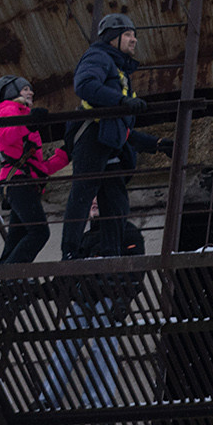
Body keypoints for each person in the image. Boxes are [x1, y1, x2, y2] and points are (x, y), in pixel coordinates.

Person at [60, 13, 173, 260]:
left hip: (109, 142)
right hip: (93, 137)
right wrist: (122, 101)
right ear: (114, 37)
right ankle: (69, 252)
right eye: (129, 34)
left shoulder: (119, 69)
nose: (134, 40)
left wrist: (157, 144)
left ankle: (110, 255)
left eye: (134, 35)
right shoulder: (98, 57)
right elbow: (85, 85)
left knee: (116, 203)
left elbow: (123, 129)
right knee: (84, 191)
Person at [35, 201, 146, 411]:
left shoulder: (128, 233)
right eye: (91, 201)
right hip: (85, 298)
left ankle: (97, 402)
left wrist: (122, 301)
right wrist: (40, 291)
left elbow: (136, 272)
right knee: (65, 342)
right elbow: (68, 276)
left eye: (99, 200)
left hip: (109, 297)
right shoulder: (85, 238)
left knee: (103, 344)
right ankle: (48, 398)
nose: (94, 204)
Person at [0, 75, 70, 264]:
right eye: (25, 89)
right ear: (11, 91)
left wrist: (65, 155)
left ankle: (7, 283)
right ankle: (12, 277)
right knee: (39, 232)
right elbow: (4, 135)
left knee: (17, 238)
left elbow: (39, 167)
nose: (30, 92)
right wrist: (29, 122)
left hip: (22, 183)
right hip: (18, 183)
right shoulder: (7, 109)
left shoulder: (21, 114)